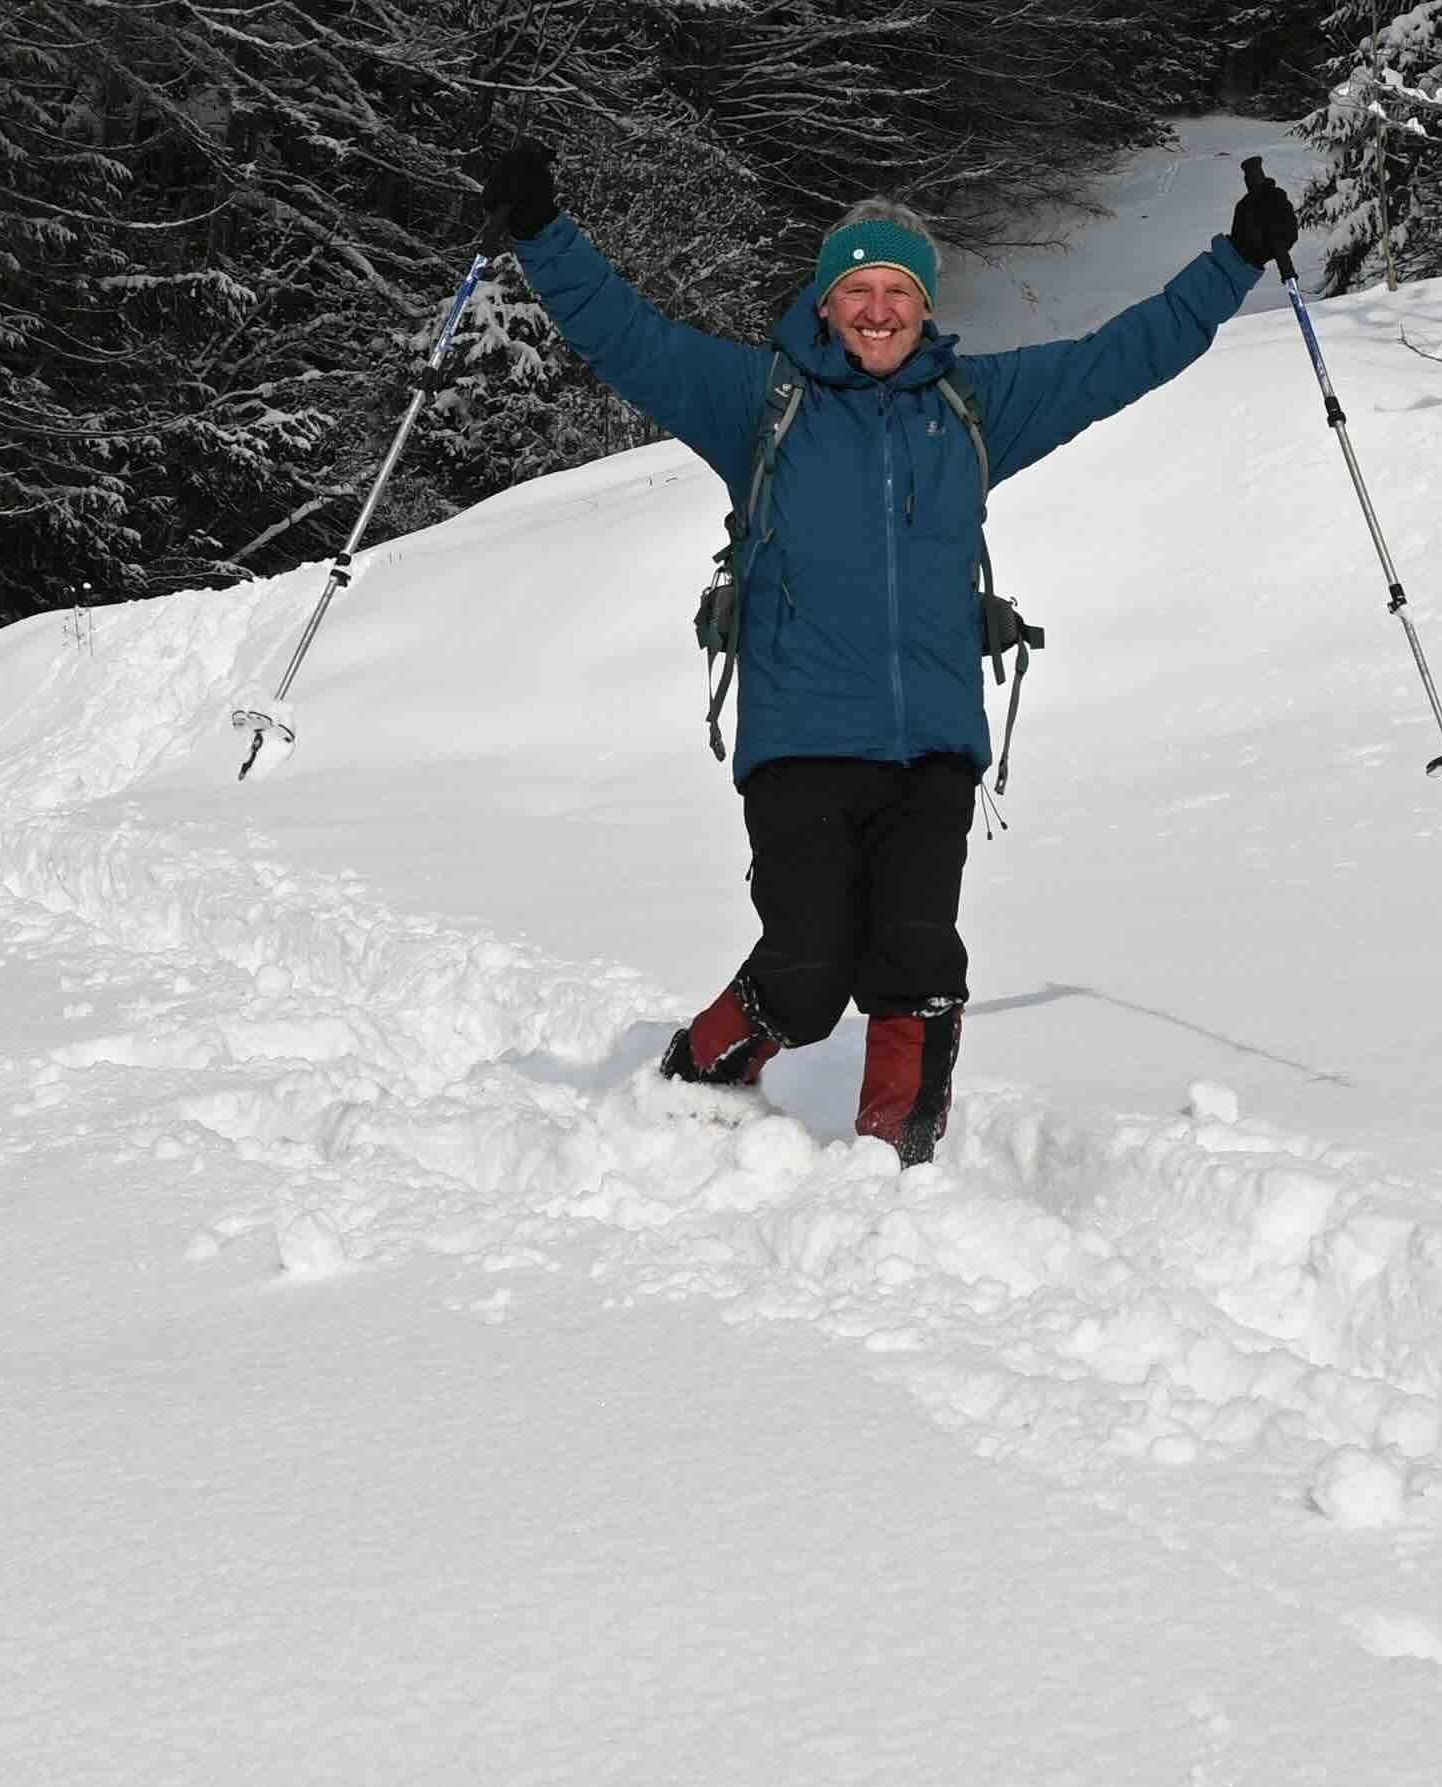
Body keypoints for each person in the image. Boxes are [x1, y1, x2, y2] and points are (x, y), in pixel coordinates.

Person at [473, 142, 1297, 1166]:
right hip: (803, 740)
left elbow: (1118, 358)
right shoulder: (758, 401)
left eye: (897, 291)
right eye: (857, 290)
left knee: (918, 959)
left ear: (925, 306)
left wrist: (1233, 262)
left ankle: (896, 1164)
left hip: (932, 746)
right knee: (806, 974)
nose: (877, 310)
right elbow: (627, 338)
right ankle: (691, 1084)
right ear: (824, 303)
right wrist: (541, 233)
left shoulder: (974, 408)